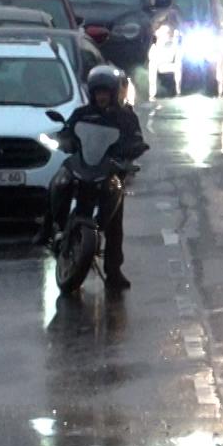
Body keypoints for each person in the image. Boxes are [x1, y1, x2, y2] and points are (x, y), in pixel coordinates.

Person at [44, 64, 147, 291]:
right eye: (98, 92)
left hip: (109, 172)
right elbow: (67, 132)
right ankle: (50, 228)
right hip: (83, 167)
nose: (102, 97)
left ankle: (114, 270)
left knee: (114, 220)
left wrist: (134, 149)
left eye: (106, 92)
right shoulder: (82, 114)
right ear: (92, 93)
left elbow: (137, 140)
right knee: (60, 181)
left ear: (114, 93)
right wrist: (63, 139)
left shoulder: (126, 117)